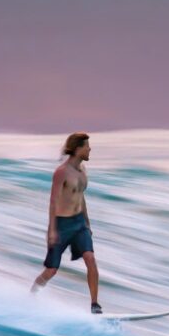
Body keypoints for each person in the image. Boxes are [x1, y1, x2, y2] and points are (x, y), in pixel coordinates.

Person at [30, 132, 101, 314]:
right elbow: (53, 201)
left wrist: (87, 223)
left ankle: (95, 305)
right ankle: (30, 298)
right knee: (51, 270)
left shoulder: (83, 171)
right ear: (78, 149)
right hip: (62, 225)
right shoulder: (61, 172)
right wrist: (51, 230)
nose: (90, 149)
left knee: (90, 259)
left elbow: (80, 197)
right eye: (87, 146)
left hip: (79, 224)